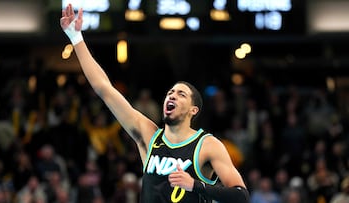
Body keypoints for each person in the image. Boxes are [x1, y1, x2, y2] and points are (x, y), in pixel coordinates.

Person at [60, 3, 249, 203]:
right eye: (170, 92)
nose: (172, 96)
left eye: (181, 94)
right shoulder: (149, 136)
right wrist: (76, 38)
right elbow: (104, 89)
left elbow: (241, 196)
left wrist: (195, 185)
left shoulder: (207, 146)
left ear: (194, 110)